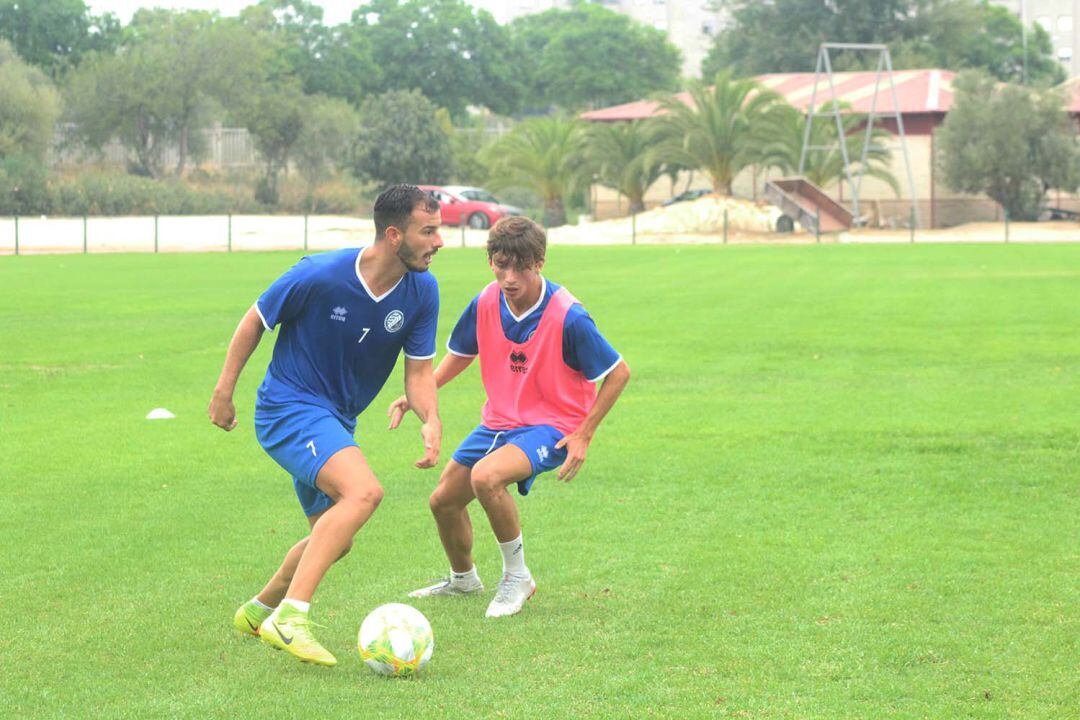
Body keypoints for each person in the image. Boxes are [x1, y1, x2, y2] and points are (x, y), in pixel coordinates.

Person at [208, 184, 444, 666]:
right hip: (288, 408)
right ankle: (291, 618)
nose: (440, 241)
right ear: (394, 235)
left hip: (336, 421)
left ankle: (259, 611)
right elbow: (255, 320)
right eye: (429, 231)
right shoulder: (319, 273)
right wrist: (223, 391)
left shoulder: (423, 291)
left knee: (335, 539)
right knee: (364, 493)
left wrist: (432, 417)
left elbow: (418, 371)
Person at [388, 216, 630, 618]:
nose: (510, 276)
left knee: (487, 477)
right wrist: (418, 391)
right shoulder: (486, 300)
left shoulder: (569, 315)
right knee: (444, 502)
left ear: (539, 262)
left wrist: (585, 434)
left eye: (521, 266)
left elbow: (618, 373)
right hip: (499, 422)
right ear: (491, 262)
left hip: (553, 425)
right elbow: (461, 355)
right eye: (502, 265)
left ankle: (518, 578)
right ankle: (463, 579)